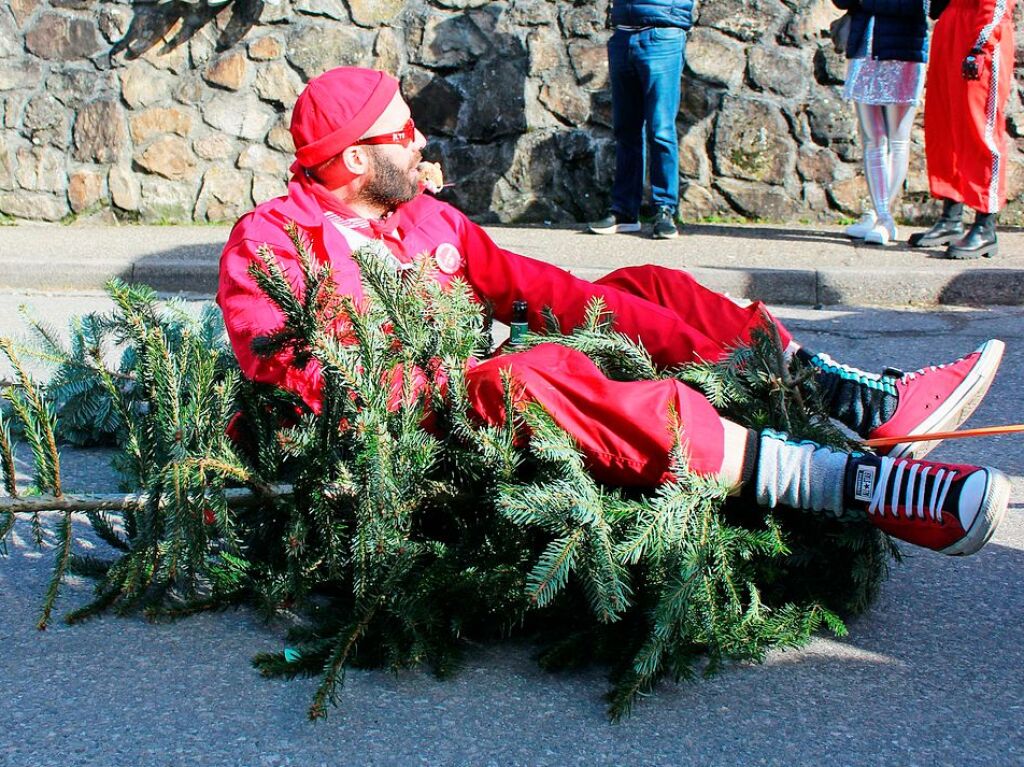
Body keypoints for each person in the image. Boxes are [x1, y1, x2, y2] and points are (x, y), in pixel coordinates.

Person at [219, 67, 1012, 559]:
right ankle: (853, 481)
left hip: (467, 377)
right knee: (532, 376)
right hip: (404, 428)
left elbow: (538, 288)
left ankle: (842, 395)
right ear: (355, 158)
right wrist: (463, 381)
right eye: (403, 131)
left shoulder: (427, 217)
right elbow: (312, 381)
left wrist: (621, 313)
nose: (423, 141)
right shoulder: (274, 243)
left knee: (642, 281)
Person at [908, 0, 1016, 258]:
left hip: (981, 28)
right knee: (944, 126)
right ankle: (951, 216)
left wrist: (981, 42)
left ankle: (985, 226)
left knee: (981, 129)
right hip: (951, 24)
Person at [586, 0, 690, 240]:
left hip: (663, 33)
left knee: (660, 130)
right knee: (625, 130)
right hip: (623, 35)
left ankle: (664, 209)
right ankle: (624, 212)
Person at [833, 0, 929, 246]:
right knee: (871, 138)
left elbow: (918, 7)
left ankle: (884, 217)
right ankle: (878, 213)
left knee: (898, 138)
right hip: (864, 49)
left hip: (902, 51)